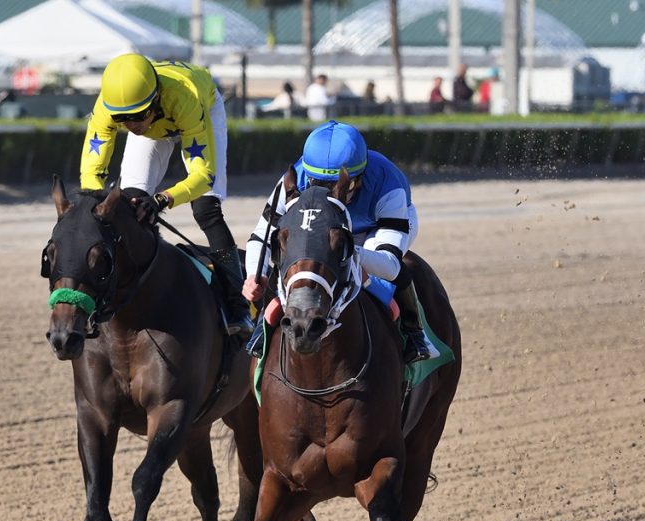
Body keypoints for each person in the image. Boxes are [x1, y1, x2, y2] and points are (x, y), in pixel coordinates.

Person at [80, 54, 252, 335]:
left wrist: (161, 200)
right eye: (122, 119)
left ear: (156, 97)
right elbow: (91, 173)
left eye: (136, 116)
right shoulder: (107, 108)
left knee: (206, 209)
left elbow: (202, 175)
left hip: (202, 108)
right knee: (129, 203)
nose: (131, 126)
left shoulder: (184, 98)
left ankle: (238, 306)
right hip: (159, 121)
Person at [242, 120, 440, 364]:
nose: (326, 195)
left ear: (357, 179)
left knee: (375, 272)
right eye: (318, 185)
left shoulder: (388, 187)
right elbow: (262, 234)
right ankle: (262, 327)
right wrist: (254, 274)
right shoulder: (295, 178)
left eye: (336, 187)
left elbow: (389, 264)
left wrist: (343, 251)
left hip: (373, 229)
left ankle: (414, 332)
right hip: (325, 232)